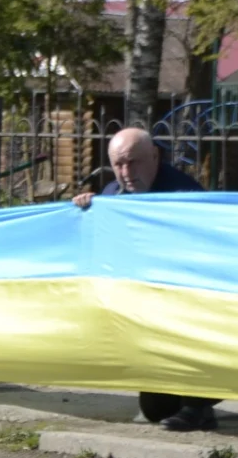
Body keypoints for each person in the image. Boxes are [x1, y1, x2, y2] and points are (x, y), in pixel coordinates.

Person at [74, 127, 219, 433]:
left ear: (154, 156)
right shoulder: (112, 195)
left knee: (190, 334)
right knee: (155, 410)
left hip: (188, 300)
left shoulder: (185, 195)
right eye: (118, 164)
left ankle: (200, 407)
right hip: (147, 303)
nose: (125, 172)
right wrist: (88, 207)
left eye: (133, 162)